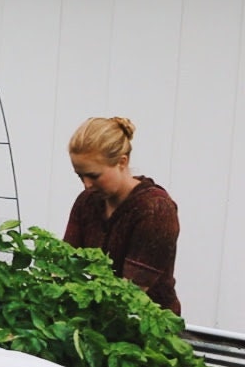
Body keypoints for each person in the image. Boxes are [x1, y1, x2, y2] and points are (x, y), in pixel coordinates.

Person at [63, 116, 182, 315]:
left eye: (94, 175)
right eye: (80, 175)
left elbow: (131, 293)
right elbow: (64, 263)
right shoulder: (87, 202)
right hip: (99, 317)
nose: (86, 184)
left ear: (122, 162)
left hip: (146, 322)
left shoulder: (155, 209)